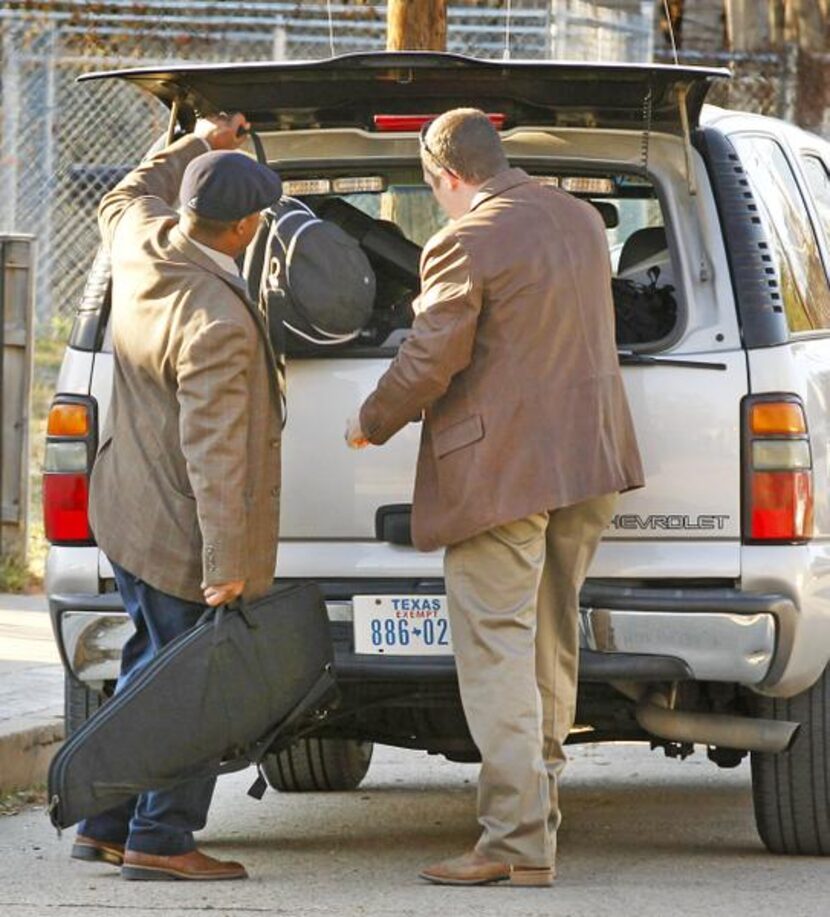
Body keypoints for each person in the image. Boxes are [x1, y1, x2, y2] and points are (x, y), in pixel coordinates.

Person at [346, 108, 644, 887]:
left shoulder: (463, 240)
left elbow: (428, 359)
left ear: (446, 174)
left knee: (498, 655)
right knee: (550, 641)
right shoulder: (580, 219)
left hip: (505, 473)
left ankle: (514, 839)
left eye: (431, 185)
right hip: (589, 460)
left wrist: (370, 421)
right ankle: (536, 819)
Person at [71, 113, 283, 881]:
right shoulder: (218, 319)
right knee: (193, 689)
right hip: (179, 535)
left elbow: (128, 189)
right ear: (246, 228)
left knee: (144, 669)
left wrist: (198, 141)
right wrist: (225, 566)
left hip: (127, 513)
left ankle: (106, 822)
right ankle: (161, 840)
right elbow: (216, 453)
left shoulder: (141, 238)